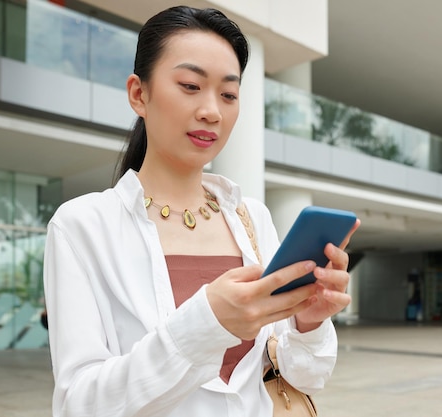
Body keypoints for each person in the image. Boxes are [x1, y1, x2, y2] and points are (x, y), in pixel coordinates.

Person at [43, 5, 359, 417]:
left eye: (229, 94)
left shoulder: (252, 219)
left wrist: (309, 322)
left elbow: (307, 377)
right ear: (139, 94)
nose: (212, 110)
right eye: (191, 85)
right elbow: (79, 405)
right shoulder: (81, 226)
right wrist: (206, 324)